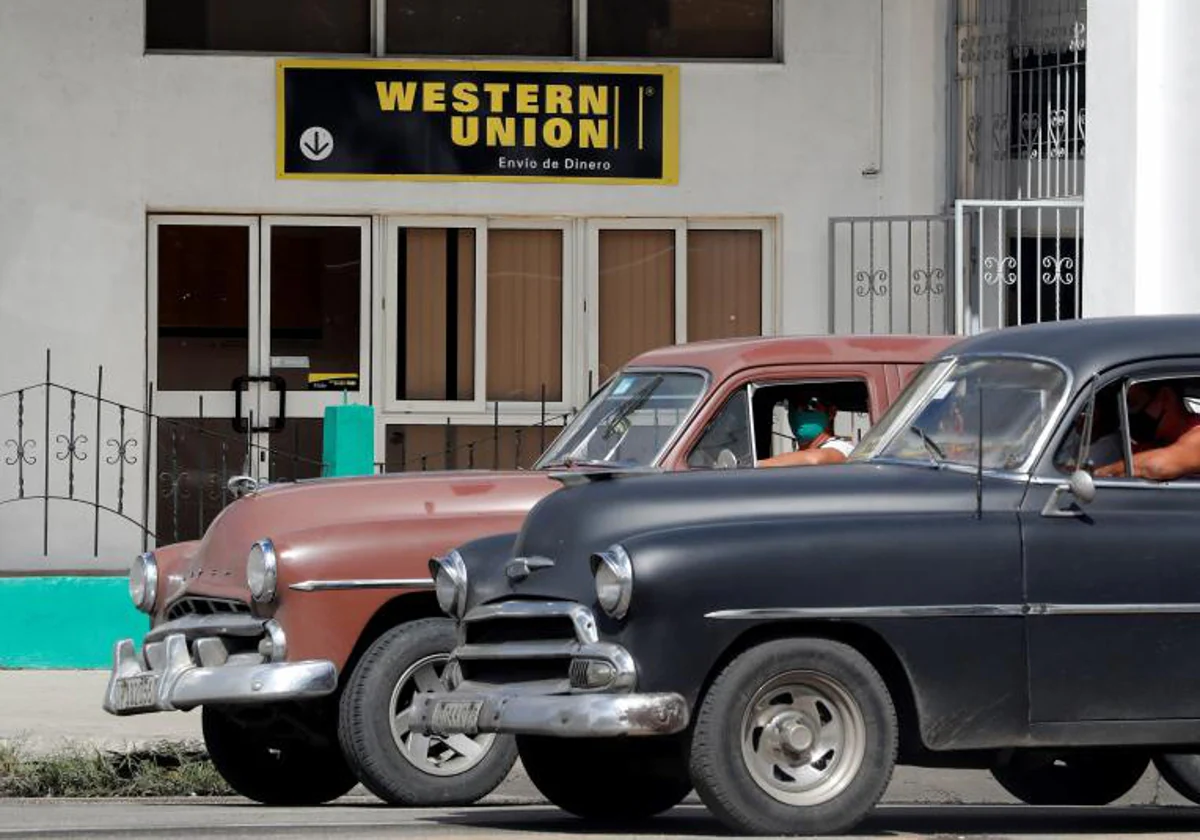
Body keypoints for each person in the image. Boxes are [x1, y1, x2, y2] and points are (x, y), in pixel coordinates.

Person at [1094, 382, 1200, 480]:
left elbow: (1157, 467)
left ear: (1165, 397)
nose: (1129, 415)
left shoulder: (1197, 434)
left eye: (1133, 404)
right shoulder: (1147, 443)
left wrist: (1094, 476)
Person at [758, 395, 855, 467]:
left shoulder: (843, 448)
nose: (799, 412)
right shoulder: (796, 456)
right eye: (794, 406)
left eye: (809, 406)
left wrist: (757, 465)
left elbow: (814, 459)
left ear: (831, 413)